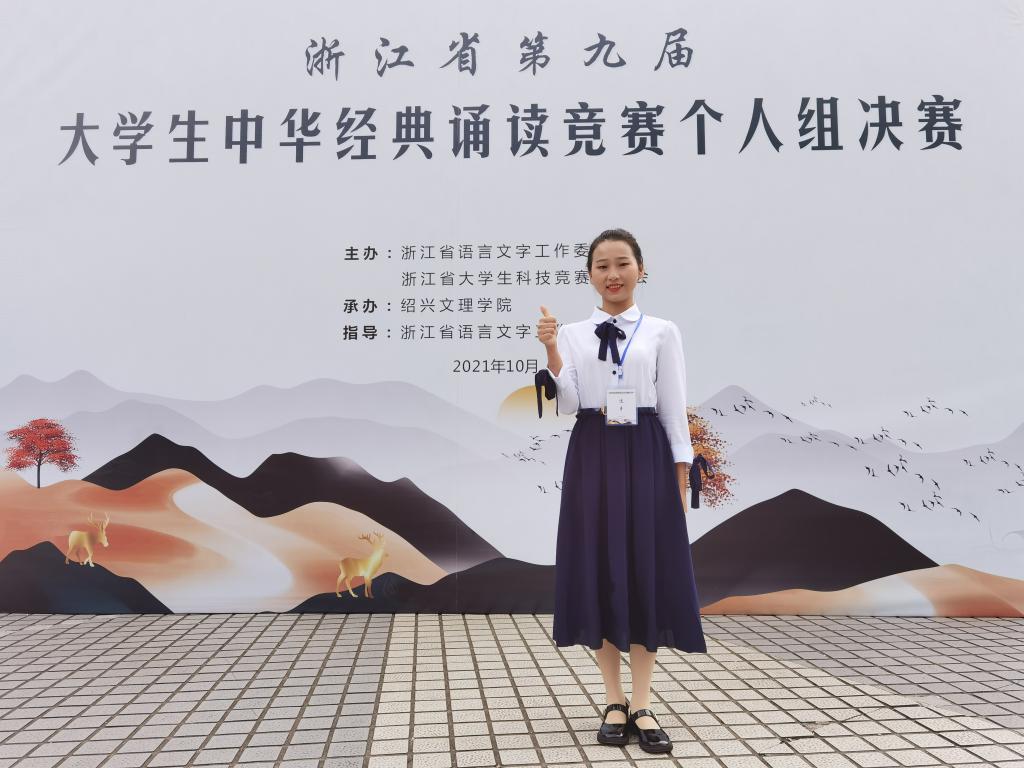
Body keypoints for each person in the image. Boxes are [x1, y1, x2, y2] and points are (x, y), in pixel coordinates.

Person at [535, 228, 707, 754]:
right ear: (590, 274)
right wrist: (551, 350)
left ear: (640, 269)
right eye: (602, 266)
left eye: (622, 263)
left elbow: (674, 407)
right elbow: (567, 404)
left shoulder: (662, 332)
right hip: (593, 453)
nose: (613, 274)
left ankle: (644, 702)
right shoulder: (571, 334)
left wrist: (680, 475)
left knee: (643, 572)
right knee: (601, 571)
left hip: (647, 452)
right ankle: (613, 700)